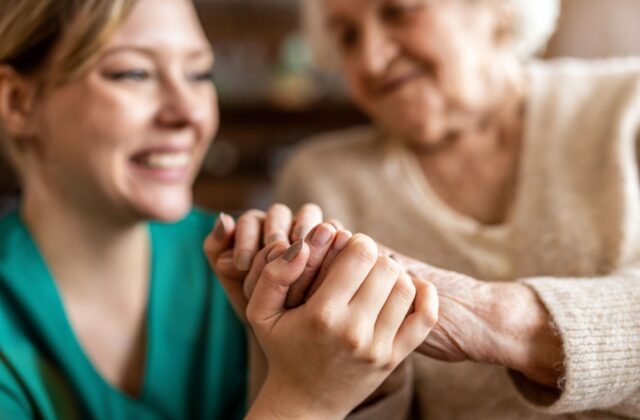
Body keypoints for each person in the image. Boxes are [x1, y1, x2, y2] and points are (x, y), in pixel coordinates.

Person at [0, 0, 439, 418]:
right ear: (18, 102)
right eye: (134, 73)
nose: (188, 112)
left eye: (199, 74)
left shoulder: (248, 269)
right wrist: (305, 401)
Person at [277, 0, 640, 418]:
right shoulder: (322, 182)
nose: (372, 60)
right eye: (347, 36)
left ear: (496, 9)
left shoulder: (627, 106)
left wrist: (491, 317)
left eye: (398, 12)